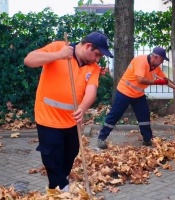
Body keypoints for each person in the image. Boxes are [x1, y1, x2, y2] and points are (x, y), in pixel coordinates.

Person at [24, 31, 113, 191]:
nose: (98, 59)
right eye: (97, 54)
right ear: (88, 46)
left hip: (72, 120)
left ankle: (60, 183)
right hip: (48, 119)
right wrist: (58, 55)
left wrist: (83, 108)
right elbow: (29, 60)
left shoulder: (93, 67)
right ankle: (59, 190)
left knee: (71, 153)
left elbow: (91, 91)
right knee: (53, 159)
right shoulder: (59, 47)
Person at [97, 47, 175, 149]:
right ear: (155, 57)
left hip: (138, 94)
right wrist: (157, 82)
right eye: (162, 60)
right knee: (115, 115)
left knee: (144, 116)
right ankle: (101, 138)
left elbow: (165, 80)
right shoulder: (141, 61)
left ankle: (147, 139)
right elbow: (140, 80)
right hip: (124, 91)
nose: (162, 62)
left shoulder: (155, 68)